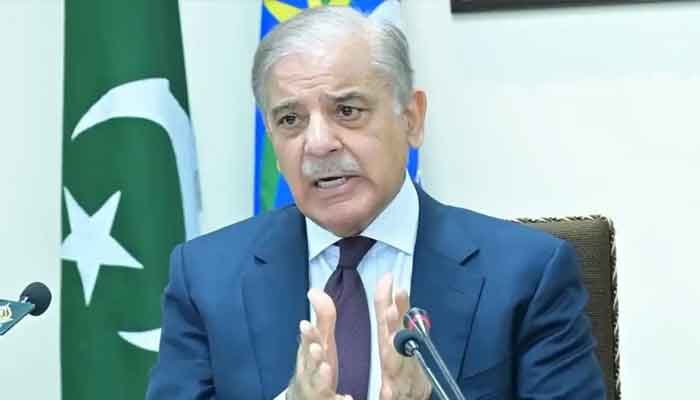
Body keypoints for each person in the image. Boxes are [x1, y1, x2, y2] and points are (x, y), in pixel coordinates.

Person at [146, 6, 605, 400]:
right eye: (290, 120)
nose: (318, 143)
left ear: (412, 119)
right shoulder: (206, 279)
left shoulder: (526, 275)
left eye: (347, 111)